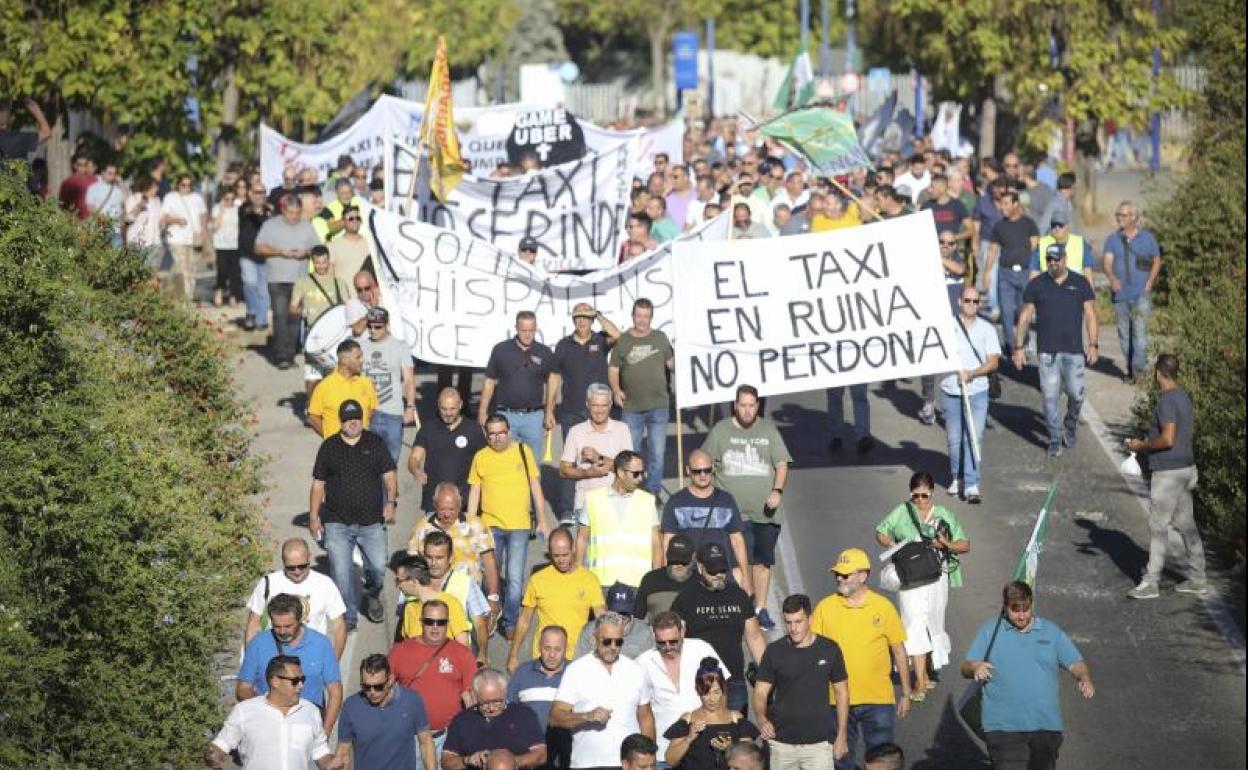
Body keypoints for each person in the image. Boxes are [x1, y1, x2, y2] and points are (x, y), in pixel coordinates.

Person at [962, 581, 1095, 770]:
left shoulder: (1051, 632)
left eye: (1026, 608)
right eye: (1015, 610)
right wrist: (975, 667)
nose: (1022, 615)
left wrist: (1084, 678)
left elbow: (1075, 663)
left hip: (1046, 727)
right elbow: (965, 666)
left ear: (1032, 603)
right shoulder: (990, 630)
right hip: (1002, 727)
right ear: (1005, 607)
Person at [811, 548, 911, 770]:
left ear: (863, 576)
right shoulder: (825, 608)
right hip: (837, 700)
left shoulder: (883, 607)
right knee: (841, 761)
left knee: (882, 762)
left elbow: (899, 651)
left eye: (845, 575)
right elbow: (811, 653)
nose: (839, 578)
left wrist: (905, 693)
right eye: (837, 573)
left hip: (878, 700)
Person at [874, 472, 970, 697]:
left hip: (937, 577)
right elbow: (880, 532)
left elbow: (965, 545)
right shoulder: (902, 511)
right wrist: (893, 543)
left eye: (924, 496)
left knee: (932, 622)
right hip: (909, 577)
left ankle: (925, 672)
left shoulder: (944, 514)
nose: (919, 501)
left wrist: (945, 543)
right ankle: (920, 681)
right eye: (915, 496)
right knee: (912, 623)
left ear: (932, 493)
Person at [702, 385, 790, 629]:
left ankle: (760, 608)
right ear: (735, 405)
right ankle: (742, 606)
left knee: (761, 563)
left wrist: (777, 490)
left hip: (765, 513)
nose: (747, 410)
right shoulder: (721, 431)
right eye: (743, 405)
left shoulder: (768, 429)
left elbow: (782, 464)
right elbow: (703, 462)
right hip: (732, 515)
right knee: (739, 563)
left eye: (752, 405)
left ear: (758, 406)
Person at [308, 399, 397, 629]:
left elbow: (389, 475)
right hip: (337, 521)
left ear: (362, 418)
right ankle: (348, 617)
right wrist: (313, 516)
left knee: (378, 566)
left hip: (372, 522)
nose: (353, 422)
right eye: (348, 419)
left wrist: (391, 503)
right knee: (341, 573)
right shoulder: (329, 447)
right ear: (341, 421)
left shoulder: (375, 443)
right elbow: (318, 484)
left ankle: (372, 595)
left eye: (356, 418)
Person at [1126, 353, 1207, 598]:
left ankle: (1151, 582)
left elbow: (1168, 438)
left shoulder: (1166, 401)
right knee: (1185, 524)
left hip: (1169, 473)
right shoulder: (1184, 397)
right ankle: (1198, 577)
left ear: (1159, 373)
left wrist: (1140, 446)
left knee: (1158, 526)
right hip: (1186, 469)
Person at [468, 413, 553, 638]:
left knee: (515, 578)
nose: (497, 438)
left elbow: (535, 487)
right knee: (490, 576)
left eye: (501, 433)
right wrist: (470, 522)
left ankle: (510, 621)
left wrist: (543, 520)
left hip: (519, 526)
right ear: (486, 434)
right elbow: (475, 490)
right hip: (490, 526)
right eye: (492, 434)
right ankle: (490, 614)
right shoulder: (480, 457)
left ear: (509, 432)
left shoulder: (523, 452)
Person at [1011, 241, 1098, 457]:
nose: (1053, 263)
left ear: (1065, 259)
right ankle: (1055, 438)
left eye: (1056, 259)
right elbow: (1025, 316)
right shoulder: (1036, 284)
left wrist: (1093, 344)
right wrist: (1018, 347)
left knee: (1076, 396)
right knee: (1050, 397)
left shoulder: (1080, 283)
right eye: (1049, 259)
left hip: (1074, 351)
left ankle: (1070, 425)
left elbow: (1090, 315)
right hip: (1047, 353)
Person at [754, 594, 849, 768]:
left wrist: (841, 735)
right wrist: (761, 718)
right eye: (788, 622)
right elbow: (760, 691)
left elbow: (842, 692)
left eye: (798, 622)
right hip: (781, 744)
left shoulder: (830, 649)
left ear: (810, 619)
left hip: (819, 744)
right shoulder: (774, 651)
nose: (793, 628)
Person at [550, 613, 656, 770]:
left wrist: (649, 762)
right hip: (588, 764)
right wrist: (587, 716)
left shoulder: (635, 670)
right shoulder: (576, 670)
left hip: (627, 765)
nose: (613, 647)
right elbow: (555, 717)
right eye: (607, 641)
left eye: (618, 642)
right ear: (594, 638)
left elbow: (645, 717)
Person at [670, 543, 766, 714]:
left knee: (737, 736)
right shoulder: (686, 598)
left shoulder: (738, 596)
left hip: (734, 682)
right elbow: (675, 641)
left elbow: (755, 638)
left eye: (722, 570)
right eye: (712, 571)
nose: (718, 575)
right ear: (700, 567)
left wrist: (768, 674)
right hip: (700, 684)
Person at [551, 305, 623, 520]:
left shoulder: (600, 340)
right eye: (578, 317)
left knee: (601, 455)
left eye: (586, 318)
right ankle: (566, 508)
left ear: (591, 320)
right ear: (573, 320)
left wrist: (598, 314)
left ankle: (607, 501)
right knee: (570, 460)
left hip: (598, 409)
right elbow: (554, 377)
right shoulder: (563, 345)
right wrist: (549, 409)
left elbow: (617, 335)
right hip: (571, 410)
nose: (582, 321)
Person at [207, 655, 339, 770]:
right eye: (295, 681)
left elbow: (320, 752)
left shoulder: (311, 711)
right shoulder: (244, 711)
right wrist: (213, 755)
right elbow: (220, 746)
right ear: (274, 681)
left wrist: (333, 763)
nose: (301, 685)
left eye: (302, 680)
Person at [236, 594, 343, 733]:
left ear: (300, 619)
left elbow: (335, 692)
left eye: (288, 626)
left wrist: (325, 733)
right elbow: (243, 689)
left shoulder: (321, 644)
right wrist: (263, 710)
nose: (282, 632)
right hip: (268, 726)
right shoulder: (258, 644)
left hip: (308, 726)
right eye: (277, 626)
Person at [635, 611, 729, 762]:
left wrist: (720, 728)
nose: (668, 647)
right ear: (654, 636)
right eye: (661, 643)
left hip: (704, 747)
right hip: (662, 752)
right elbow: (642, 712)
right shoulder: (642, 662)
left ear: (683, 632)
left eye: (673, 641)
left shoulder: (701, 649)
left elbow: (721, 691)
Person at [507, 528, 606, 672]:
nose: (561, 560)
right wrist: (513, 655)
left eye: (565, 554)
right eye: (556, 556)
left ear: (573, 548)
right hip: (544, 657)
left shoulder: (589, 579)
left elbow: (601, 619)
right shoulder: (537, 580)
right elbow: (524, 620)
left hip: (577, 658)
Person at [391, 599, 479, 761]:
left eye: (441, 622)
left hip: (449, 740)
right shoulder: (400, 651)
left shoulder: (462, 654)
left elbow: (470, 698)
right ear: (421, 622)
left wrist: (473, 735)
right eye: (429, 622)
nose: (435, 627)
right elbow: (383, 691)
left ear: (448, 623)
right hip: (410, 738)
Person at [661, 449, 752, 596]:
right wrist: (665, 576)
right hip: (688, 577)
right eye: (697, 471)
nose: (703, 475)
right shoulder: (675, 501)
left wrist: (747, 578)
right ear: (688, 471)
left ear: (713, 469)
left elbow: (737, 541)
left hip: (720, 576)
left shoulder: (726, 500)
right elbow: (667, 542)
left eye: (707, 470)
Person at [609, 299, 675, 497]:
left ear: (651, 318)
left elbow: (671, 363)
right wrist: (615, 389)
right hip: (631, 407)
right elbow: (613, 368)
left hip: (659, 406)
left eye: (646, 316)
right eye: (639, 316)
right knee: (631, 454)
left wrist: (686, 357)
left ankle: (653, 492)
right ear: (633, 316)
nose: (642, 320)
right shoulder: (623, 341)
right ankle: (632, 491)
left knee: (657, 454)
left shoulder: (660, 337)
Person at [244, 537, 347, 659]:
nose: (297, 572)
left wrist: (333, 663)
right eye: (291, 568)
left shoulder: (325, 584)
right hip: (273, 658)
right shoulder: (268, 583)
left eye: (302, 566)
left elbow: (339, 625)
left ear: (309, 557)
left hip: (312, 657)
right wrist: (250, 660)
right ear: (283, 561)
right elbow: (253, 623)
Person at [332, 653, 437, 770]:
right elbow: (343, 752)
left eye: (378, 687)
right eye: (366, 687)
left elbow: (426, 742)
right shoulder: (351, 706)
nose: (372, 692)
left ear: (391, 679)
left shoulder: (412, 700)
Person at [944, 285, 1000, 503]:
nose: (971, 305)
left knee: (974, 437)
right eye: (967, 301)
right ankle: (956, 477)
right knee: (954, 439)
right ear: (959, 302)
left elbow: (993, 362)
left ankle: (971, 483)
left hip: (977, 392)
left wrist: (973, 374)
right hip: (950, 390)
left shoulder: (987, 329)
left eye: (976, 302)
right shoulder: (947, 327)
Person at [576, 450, 662, 589]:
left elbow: (656, 544)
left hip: (638, 583)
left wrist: (656, 581)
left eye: (642, 473)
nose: (640, 478)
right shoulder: (593, 499)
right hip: (601, 583)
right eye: (635, 474)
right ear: (621, 473)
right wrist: (578, 575)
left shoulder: (648, 501)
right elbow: (582, 539)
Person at [478, 311, 557, 461]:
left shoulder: (544, 352)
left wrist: (549, 412)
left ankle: (532, 486)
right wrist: (482, 411)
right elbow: (489, 381)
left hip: (533, 417)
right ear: (516, 328)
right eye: (523, 330)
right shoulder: (501, 350)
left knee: (533, 465)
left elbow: (553, 381)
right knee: (504, 461)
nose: (527, 334)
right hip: (506, 416)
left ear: (536, 328)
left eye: (531, 330)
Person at [254, 193, 321, 368]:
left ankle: (290, 353)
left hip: (299, 279)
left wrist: (305, 253)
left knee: (295, 317)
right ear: (283, 210)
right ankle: (282, 355)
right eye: (291, 212)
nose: (294, 217)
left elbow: (317, 248)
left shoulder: (307, 226)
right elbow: (258, 247)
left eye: (298, 212)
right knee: (280, 315)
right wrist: (280, 252)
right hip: (277, 278)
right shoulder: (270, 225)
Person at [409, 482, 501, 601]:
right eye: (442, 509)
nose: (447, 514)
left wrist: (493, 596)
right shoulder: (422, 528)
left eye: (452, 509)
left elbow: (489, 561)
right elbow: (412, 565)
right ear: (434, 504)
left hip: (469, 597)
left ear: (459, 504)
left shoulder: (475, 525)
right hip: (434, 599)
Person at [1102, 200, 1161, 379]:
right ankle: (1131, 369)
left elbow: (1156, 260)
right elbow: (1107, 262)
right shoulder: (1112, 239)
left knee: (1140, 333)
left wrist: (1150, 281)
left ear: (1134, 217)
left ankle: (1139, 371)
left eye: (1123, 215)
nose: (1119, 218)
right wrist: (1111, 278)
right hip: (1120, 295)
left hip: (1141, 293)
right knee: (1124, 335)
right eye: (1118, 215)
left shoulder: (1148, 238)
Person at [443, 669, 547, 770]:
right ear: (475, 696)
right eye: (485, 703)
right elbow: (447, 761)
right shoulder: (462, 720)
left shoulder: (524, 715)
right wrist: (467, 760)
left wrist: (510, 762)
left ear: (505, 692)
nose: (491, 708)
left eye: (497, 701)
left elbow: (541, 754)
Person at [560, 382, 633, 526]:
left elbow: (630, 471)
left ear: (610, 405)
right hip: (585, 505)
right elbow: (563, 470)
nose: (599, 411)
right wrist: (588, 473)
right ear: (587, 404)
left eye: (604, 406)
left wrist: (598, 457)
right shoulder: (575, 431)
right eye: (595, 405)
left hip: (618, 503)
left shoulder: (622, 429)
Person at [420, 529, 495, 665]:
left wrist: (482, 655)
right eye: (429, 557)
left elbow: (480, 623)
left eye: (439, 558)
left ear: (450, 558)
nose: (433, 563)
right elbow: (403, 618)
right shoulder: (415, 582)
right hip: (422, 655)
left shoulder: (466, 582)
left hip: (457, 656)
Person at [982, 189, 1040, 359]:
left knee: (1024, 311)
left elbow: (1035, 248)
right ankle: (1010, 347)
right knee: (1006, 312)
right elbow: (993, 250)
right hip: (1005, 274)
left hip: (1025, 273)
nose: (1002, 208)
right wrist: (987, 273)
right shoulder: (999, 226)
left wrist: (1036, 273)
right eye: (1001, 204)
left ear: (1016, 204)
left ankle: (1023, 341)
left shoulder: (1029, 224)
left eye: (1006, 204)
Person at [410, 388, 487, 513]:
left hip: (464, 503)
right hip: (434, 502)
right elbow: (414, 458)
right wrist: (415, 470)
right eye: (444, 409)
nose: (448, 413)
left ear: (460, 405)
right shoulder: (428, 428)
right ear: (438, 405)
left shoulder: (473, 430)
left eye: (452, 409)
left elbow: (485, 460)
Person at [508, 625, 574, 770]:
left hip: (565, 759)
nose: (552, 655)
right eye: (547, 648)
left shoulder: (576, 673)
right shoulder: (522, 673)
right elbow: (507, 714)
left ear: (566, 648)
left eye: (557, 649)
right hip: (529, 758)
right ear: (539, 646)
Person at [358, 306, 417, 462]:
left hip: (393, 413)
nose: (372, 330)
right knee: (367, 463)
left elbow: (409, 379)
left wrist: (410, 407)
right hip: (367, 413)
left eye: (377, 327)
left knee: (390, 463)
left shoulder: (400, 346)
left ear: (387, 325)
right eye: (369, 326)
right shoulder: (360, 347)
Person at [394, 552, 473, 646]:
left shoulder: (450, 603)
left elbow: (463, 646)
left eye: (399, 580)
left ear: (413, 581)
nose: (397, 586)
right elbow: (406, 646)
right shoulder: (409, 609)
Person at [307, 340, 379, 438]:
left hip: (362, 446)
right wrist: (329, 438)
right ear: (345, 360)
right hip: (335, 449)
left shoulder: (366, 383)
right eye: (358, 357)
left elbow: (372, 408)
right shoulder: (324, 386)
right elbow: (313, 417)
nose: (362, 360)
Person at [573, 582, 653, 660]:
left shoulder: (645, 632)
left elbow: (650, 665)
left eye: (624, 612)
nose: (620, 617)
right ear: (607, 608)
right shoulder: (590, 630)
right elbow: (578, 663)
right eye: (615, 612)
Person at [162, 173, 207, 302]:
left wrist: (203, 233)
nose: (186, 187)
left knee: (192, 271)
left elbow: (203, 216)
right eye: (183, 185)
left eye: (189, 185)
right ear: (178, 185)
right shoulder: (170, 197)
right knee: (182, 270)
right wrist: (177, 220)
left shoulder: (197, 198)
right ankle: (183, 300)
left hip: (194, 240)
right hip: (177, 239)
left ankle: (188, 297)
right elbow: (164, 218)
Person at [634, 536, 697, 623]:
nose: (678, 565)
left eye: (684, 560)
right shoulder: (651, 579)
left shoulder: (701, 582)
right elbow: (637, 618)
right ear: (667, 555)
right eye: (674, 560)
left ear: (693, 557)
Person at [237, 182, 273, 331]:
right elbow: (249, 212)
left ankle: (261, 320)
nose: (260, 195)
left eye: (263, 192)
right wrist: (257, 211)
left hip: (265, 255)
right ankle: (251, 313)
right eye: (257, 192)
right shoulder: (244, 207)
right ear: (250, 194)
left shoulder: (270, 210)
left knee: (263, 291)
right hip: (247, 255)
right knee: (250, 283)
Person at [1030, 214, 1095, 285]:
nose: (1057, 228)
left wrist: (1091, 294)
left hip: (1074, 290)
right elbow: (1034, 273)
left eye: (1061, 225)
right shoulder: (1042, 244)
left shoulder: (1080, 243)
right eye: (1054, 225)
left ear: (1068, 226)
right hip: (1048, 289)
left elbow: (1088, 273)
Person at [208, 180, 243, 306]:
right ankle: (219, 291)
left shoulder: (238, 208)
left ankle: (233, 295)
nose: (229, 201)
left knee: (235, 272)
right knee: (222, 271)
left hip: (235, 244)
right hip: (221, 244)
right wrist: (222, 211)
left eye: (232, 199)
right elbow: (214, 227)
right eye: (227, 199)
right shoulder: (217, 208)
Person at [124, 174, 165, 272]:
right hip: (137, 243)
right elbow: (128, 220)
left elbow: (160, 220)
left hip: (155, 243)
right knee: (137, 275)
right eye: (155, 187)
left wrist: (162, 224)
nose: (157, 189)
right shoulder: (134, 199)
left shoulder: (157, 201)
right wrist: (139, 206)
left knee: (151, 275)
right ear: (147, 187)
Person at [85, 160, 126, 247]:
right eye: (110, 173)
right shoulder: (93, 188)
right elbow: (90, 207)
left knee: (117, 258)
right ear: (103, 173)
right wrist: (103, 219)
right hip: (99, 230)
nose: (112, 176)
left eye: (114, 174)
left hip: (116, 231)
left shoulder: (118, 190)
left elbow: (126, 202)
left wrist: (121, 183)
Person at [330, 204, 372, 288]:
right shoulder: (333, 245)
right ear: (343, 222)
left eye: (358, 218)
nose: (355, 221)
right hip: (344, 298)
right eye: (351, 218)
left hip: (368, 297)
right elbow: (329, 274)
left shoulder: (370, 243)